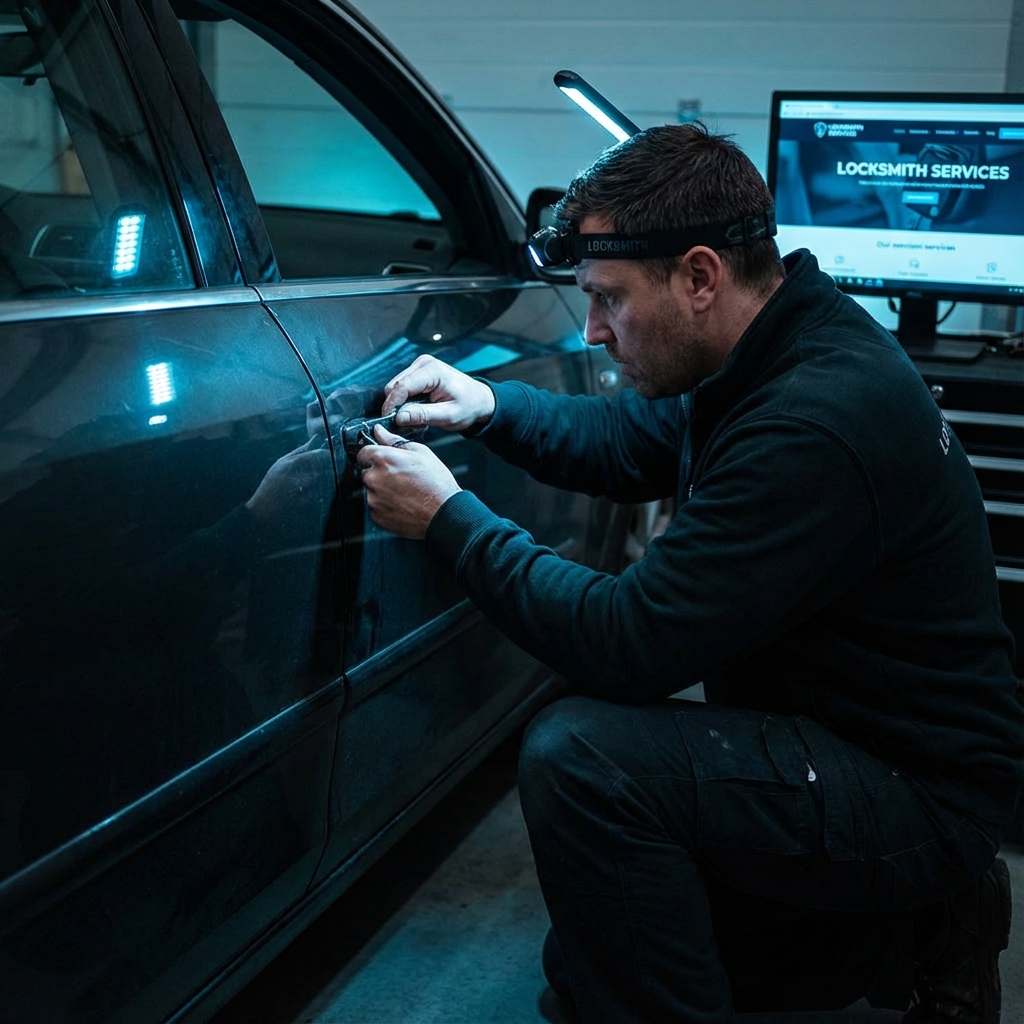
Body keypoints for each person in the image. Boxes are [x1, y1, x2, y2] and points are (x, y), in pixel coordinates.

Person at [354, 123, 1022, 1023]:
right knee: (589, 961)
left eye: (609, 299)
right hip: (838, 738)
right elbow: (631, 443)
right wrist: (490, 407)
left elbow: (627, 643)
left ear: (700, 277)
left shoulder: (814, 420)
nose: (593, 332)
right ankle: (918, 925)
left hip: (912, 791)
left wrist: (448, 519)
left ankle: (929, 894)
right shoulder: (774, 341)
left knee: (584, 762)